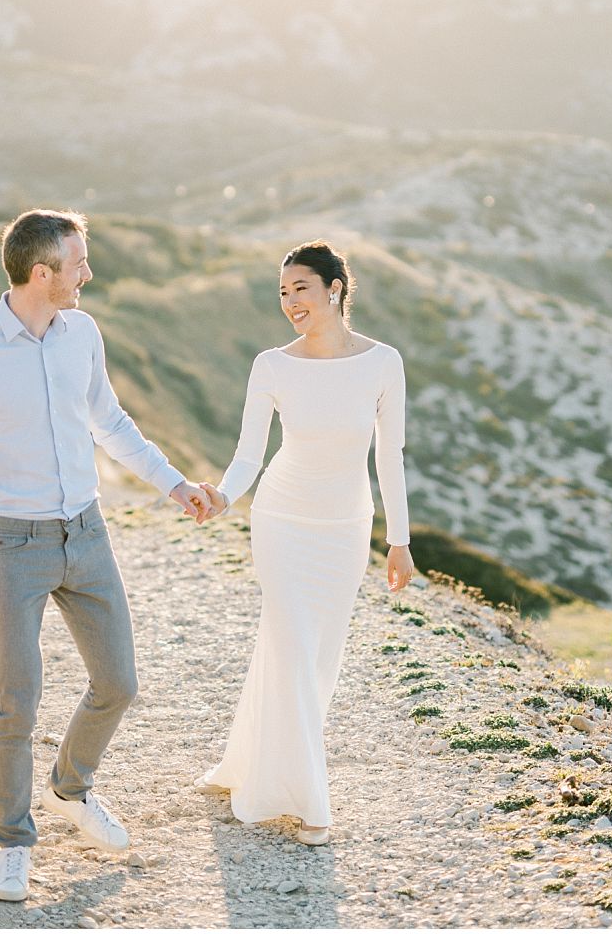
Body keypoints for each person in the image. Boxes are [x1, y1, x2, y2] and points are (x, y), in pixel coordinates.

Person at [0, 209, 213, 902]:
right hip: (9, 542)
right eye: (79, 264)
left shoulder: (84, 334)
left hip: (88, 532)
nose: (89, 274)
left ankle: (71, 787)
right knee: (17, 703)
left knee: (120, 683)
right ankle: (12, 843)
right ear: (41, 274)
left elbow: (111, 420)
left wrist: (174, 484)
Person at [197, 239, 414, 845]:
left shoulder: (382, 362)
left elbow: (389, 457)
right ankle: (309, 800)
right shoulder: (272, 364)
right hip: (283, 520)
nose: (291, 301)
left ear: (335, 289)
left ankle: (253, 762)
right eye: (283, 291)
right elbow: (248, 455)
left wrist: (398, 540)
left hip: (346, 529)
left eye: (302, 289)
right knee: (292, 644)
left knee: (317, 659)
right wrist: (222, 495)